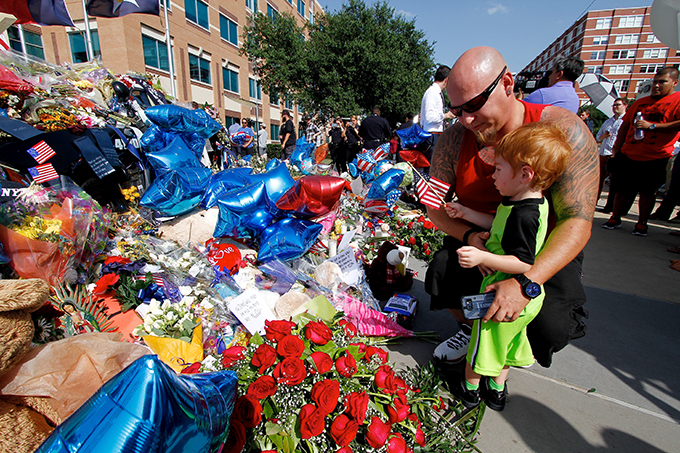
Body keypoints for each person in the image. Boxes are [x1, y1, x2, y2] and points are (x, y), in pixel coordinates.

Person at [425, 46, 597, 368]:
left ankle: (514, 340)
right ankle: (472, 329)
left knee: (551, 330)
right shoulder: (453, 139)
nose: (466, 119)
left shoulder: (563, 130)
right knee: (442, 272)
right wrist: (468, 237)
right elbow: (433, 205)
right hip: (483, 241)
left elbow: (577, 220)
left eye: (474, 105)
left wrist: (527, 283)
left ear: (506, 84)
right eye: (457, 109)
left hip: (536, 246)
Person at [445, 121, 571, 411]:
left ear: (526, 174)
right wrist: (466, 213)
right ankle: (497, 390)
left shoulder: (525, 215)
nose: (493, 175)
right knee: (508, 344)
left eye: (499, 169)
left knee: (484, 344)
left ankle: (470, 388)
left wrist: (482, 257)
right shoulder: (520, 203)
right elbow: (498, 227)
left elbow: (522, 261)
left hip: (504, 292)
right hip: (527, 300)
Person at [602, 67, 680, 237]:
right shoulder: (640, 102)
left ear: (674, 83)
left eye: (662, 82)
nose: (657, 86)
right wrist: (617, 148)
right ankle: (615, 217)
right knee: (621, 188)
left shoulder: (677, 100)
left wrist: (652, 126)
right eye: (655, 82)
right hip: (629, 153)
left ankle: (642, 223)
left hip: (655, 156)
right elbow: (625, 125)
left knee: (647, 192)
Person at [595, 98, 627, 210]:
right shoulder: (608, 122)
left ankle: (611, 205)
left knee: (614, 182)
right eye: (614, 105)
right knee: (599, 179)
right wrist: (603, 136)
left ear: (625, 106)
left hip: (616, 154)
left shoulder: (626, 121)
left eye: (618, 105)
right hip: (603, 153)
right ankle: (594, 201)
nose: (615, 107)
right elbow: (598, 137)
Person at [420, 65, 456, 162]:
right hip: (432, 136)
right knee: (432, 168)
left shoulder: (435, 92)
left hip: (434, 135)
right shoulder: (432, 92)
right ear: (446, 79)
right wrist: (446, 116)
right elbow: (429, 117)